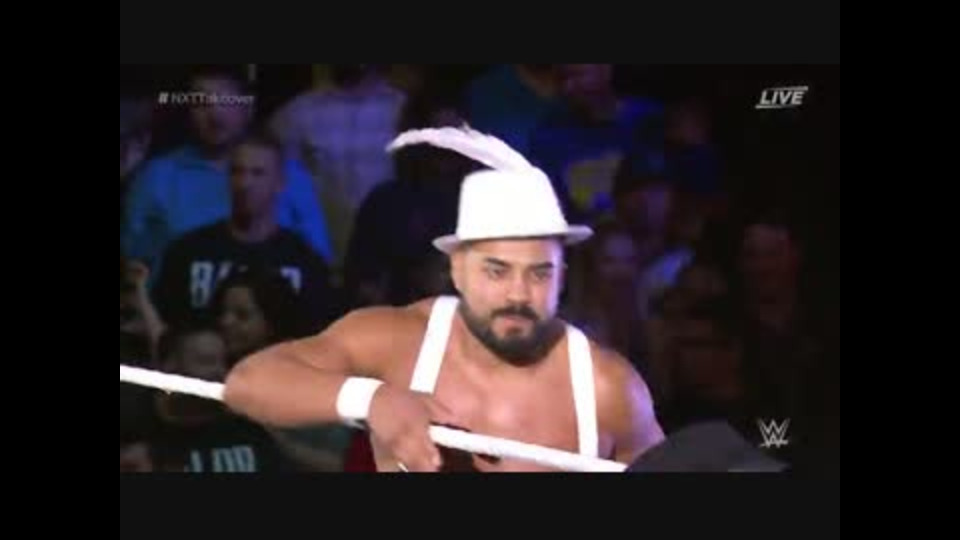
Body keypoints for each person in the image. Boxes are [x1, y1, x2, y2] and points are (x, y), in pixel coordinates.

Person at [222, 126, 665, 472]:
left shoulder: (607, 387)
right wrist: (371, 398)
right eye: (496, 270)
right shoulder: (398, 341)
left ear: (562, 276)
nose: (518, 294)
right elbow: (248, 382)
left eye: (539, 273)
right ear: (456, 270)